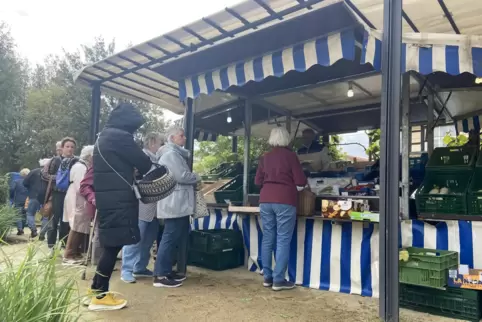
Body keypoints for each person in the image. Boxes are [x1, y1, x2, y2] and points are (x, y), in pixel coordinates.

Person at [87, 103, 152, 311]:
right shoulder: (120, 137)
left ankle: (96, 289)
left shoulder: (103, 136)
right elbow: (144, 163)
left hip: (107, 198)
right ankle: (101, 296)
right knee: (113, 246)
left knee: (109, 245)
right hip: (119, 199)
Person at [255, 127, 307, 291]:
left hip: (265, 200)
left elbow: (257, 181)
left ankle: (267, 277)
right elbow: (300, 181)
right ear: (287, 140)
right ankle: (279, 280)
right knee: (283, 238)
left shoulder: (265, 157)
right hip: (284, 200)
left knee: (267, 237)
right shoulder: (291, 156)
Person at [154, 126, 199, 288]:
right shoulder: (171, 155)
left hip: (177, 203)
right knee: (169, 237)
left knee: (173, 237)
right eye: (181, 135)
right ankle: (160, 275)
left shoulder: (174, 154)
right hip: (174, 203)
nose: (184, 138)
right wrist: (197, 177)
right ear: (172, 138)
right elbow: (182, 176)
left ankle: (166, 271)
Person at [120, 132, 164, 283]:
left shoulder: (156, 159)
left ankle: (140, 266)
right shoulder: (141, 158)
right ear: (152, 143)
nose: (161, 146)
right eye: (160, 143)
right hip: (141, 204)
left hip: (154, 205)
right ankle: (126, 269)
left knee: (149, 237)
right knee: (136, 238)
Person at [63, 145, 95, 265]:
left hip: (79, 199)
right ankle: (69, 254)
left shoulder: (82, 166)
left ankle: (75, 252)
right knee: (76, 226)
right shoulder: (80, 167)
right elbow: (80, 186)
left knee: (80, 226)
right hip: (78, 199)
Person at [45, 137, 78, 250]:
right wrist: (58, 178)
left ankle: (64, 247)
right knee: (54, 220)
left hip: (70, 194)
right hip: (57, 194)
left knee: (67, 221)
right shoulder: (55, 160)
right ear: (62, 148)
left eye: (72, 147)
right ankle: (51, 246)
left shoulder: (76, 161)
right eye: (67, 146)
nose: (69, 149)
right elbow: (45, 175)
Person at [79, 159, 102, 266]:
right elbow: (84, 186)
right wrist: (92, 197)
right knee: (99, 232)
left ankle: (104, 260)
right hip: (99, 203)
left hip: (115, 203)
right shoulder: (98, 164)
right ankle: (97, 263)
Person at [23, 159, 50, 239]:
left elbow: (24, 183)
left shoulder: (33, 172)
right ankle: (42, 235)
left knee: (30, 213)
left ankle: (33, 230)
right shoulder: (50, 173)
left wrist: (31, 189)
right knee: (46, 216)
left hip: (33, 195)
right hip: (47, 197)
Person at [10, 168, 30, 235]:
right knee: (24, 215)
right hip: (27, 200)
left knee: (18, 215)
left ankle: (20, 229)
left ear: (21, 174)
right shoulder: (30, 182)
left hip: (18, 200)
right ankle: (22, 228)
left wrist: (11, 197)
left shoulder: (16, 181)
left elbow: (12, 189)